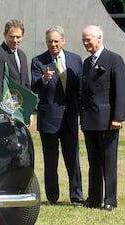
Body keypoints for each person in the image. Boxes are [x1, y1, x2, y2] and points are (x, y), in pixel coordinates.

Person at [31, 25, 84, 205]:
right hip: (49, 120)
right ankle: (52, 197)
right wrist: (44, 79)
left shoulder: (76, 60)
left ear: (63, 41)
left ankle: (76, 196)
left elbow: (80, 89)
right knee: (51, 161)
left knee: (73, 159)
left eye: (56, 41)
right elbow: (34, 86)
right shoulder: (38, 61)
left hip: (69, 118)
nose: (52, 44)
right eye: (49, 41)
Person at [81, 25, 125, 211]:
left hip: (108, 121)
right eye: (83, 40)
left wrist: (118, 118)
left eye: (88, 40)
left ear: (99, 38)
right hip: (89, 120)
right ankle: (94, 199)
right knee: (94, 162)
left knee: (109, 162)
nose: (85, 43)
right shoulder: (86, 62)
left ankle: (110, 200)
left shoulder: (114, 59)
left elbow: (121, 91)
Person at [0, 19, 31, 125]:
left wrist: (28, 112)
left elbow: (25, 86)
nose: (15, 40)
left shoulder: (22, 55)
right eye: (12, 36)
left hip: (19, 114)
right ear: (4, 35)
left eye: (18, 37)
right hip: (5, 114)